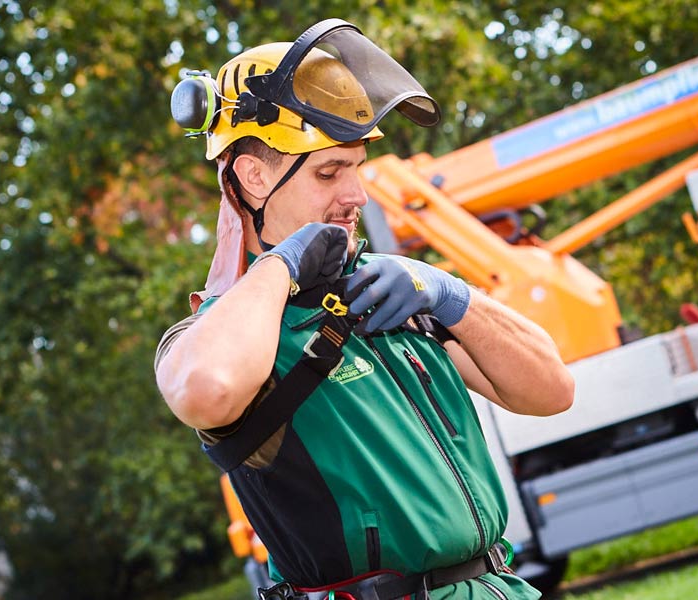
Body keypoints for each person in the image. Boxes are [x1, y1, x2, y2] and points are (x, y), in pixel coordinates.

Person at [155, 19, 574, 600]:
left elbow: (552, 390)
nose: (356, 196)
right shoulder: (225, 331)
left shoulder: (393, 294)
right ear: (253, 178)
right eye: (330, 172)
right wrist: (285, 264)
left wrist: (450, 294)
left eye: (357, 168)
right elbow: (205, 388)